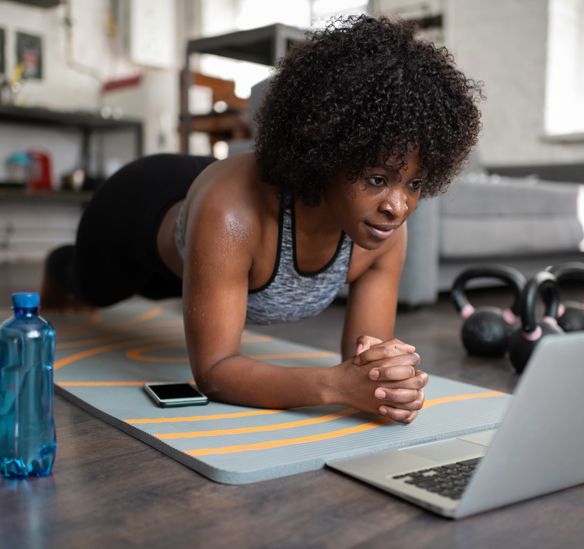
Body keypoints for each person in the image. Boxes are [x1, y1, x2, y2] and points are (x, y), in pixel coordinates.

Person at [41, 15, 481, 424]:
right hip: (135, 208)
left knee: (184, 291)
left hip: (212, 246)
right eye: (376, 178)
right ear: (327, 155)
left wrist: (387, 383)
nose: (398, 206)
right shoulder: (232, 213)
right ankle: (59, 265)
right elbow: (215, 371)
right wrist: (334, 386)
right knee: (92, 290)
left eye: (415, 184)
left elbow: (363, 360)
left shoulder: (384, 229)